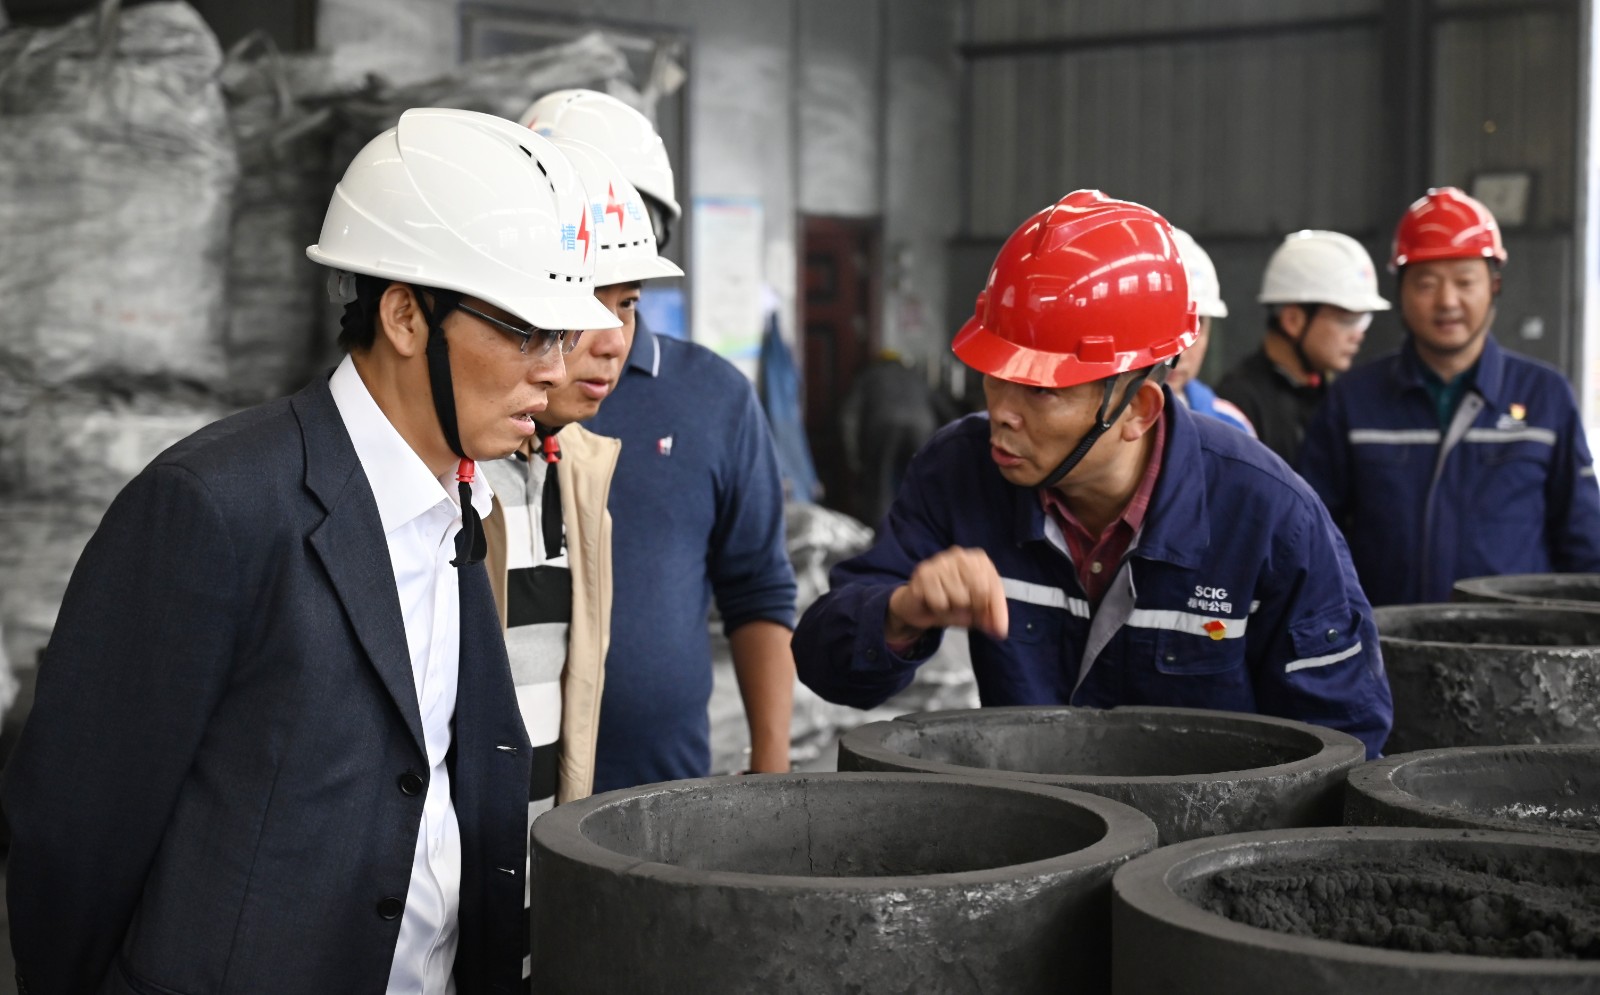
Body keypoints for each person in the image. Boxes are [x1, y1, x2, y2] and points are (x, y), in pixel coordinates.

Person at [1, 108, 620, 994]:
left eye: (560, 338)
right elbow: (75, 834)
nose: (555, 369)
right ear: (405, 316)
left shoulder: (464, 506)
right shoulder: (215, 509)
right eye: (526, 332)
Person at [793, 190, 1392, 759]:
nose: (1002, 412)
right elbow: (825, 664)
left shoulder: (1270, 516)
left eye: (1041, 390)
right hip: (1035, 820)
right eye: (995, 375)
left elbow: (1343, 740)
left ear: (1138, 410)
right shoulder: (959, 470)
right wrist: (899, 613)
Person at [523, 89, 798, 788]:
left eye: (624, 297)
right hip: (502, 807)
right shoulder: (486, 410)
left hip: (659, 791)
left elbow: (758, 587)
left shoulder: (713, 398)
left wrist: (771, 770)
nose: (606, 339)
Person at [1298, 187, 1600, 605]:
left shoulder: (1545, 396)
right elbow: (1312, 536)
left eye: (1465, 281)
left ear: (1494, 286)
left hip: (1517, 641)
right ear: (1401, 291)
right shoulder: (1353, 401)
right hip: (1388, 637)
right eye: (1426, 283)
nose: (1447, 301)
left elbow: (1584, 543)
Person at [1216, 230, 1390, 462]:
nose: (1358, 335)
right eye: (1346, 320)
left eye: (1363, 320)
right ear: (1293, 321)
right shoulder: (1240, 402)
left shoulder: (1332, 394)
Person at [837, 349, 957, 527]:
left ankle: (881, 532)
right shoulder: (916, 376)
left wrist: (853, 456)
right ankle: (922, 528)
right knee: (921, 481)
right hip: (921, 427)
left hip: (883, 428)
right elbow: (947, 411)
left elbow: (848, 417)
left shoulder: (868, 376)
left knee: (880, 483)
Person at [1167, 228, 1255, 436]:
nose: (1180, 352)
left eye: (1196, 327)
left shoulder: (1231, 426)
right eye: (1164, 327)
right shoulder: (1098, 430)